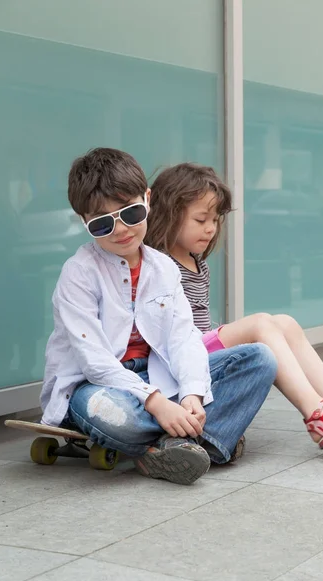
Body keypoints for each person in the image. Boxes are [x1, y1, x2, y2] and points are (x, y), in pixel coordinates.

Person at [39, 147, 279, 486]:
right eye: (103, 222)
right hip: (98, 386)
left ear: (147, 199)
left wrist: (192, 394)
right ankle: (200, 437)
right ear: (84, 222)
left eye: (131, 213)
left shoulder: (163, 267)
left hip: (158, 378)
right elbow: (94, 362)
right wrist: (156, 403)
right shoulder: (78, 273)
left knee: (260, 359)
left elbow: (183, 338)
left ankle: (171, 445)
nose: (121, 229)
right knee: (109, 414)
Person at [145, 162, 323, 453]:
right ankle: (316, 412)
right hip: (177, 361)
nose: (210, 229)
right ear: (169, 214)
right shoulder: (157, 265)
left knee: (285, 323)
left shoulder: (197, 263)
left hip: (199, 351)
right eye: (200, 220)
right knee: (260, 323)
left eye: (216, 220)